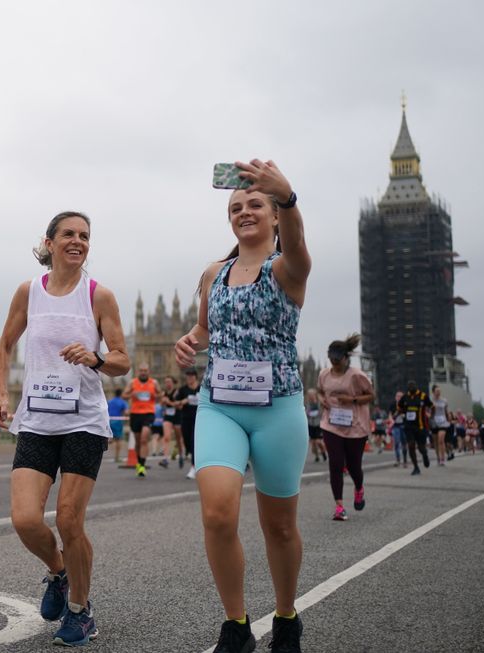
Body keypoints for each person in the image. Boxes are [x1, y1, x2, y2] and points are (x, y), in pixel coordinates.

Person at [175, 159, 309, 652]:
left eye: (256, 204)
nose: (245, 212)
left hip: (278, 408)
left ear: (274, 217)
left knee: (278, 526)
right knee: (217, 514)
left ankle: (287, 614)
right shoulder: (215, 272)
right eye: (237, 207)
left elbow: (297, 245)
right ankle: (236, 624)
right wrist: (189, 342)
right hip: (220, 405)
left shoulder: (287, 269)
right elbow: (207, 330)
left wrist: (288, 197)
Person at [0, 210, 130, 647]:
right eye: (68, 234)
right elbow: (4, 344)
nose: (77, 241)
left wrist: (96, 357)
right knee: (25, 519)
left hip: (84, 421)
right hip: (37, 420)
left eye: (85, 236)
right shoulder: (28, 292)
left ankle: (80, 610)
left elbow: (123, 359)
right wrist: (1, 394)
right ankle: (59, 570)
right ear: (48, 242)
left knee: (70, 519)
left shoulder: (98, 295)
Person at [317, 335, 375, 522]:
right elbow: (319, 391)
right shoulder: (324, 374)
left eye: (337, 360)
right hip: (331, 424)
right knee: (335, 464)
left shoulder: (357, 376)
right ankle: (339, 506)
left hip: (355, 427)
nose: (334, 364)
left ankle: (359, 488)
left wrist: (352, 400)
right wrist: (322, 400)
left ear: (345, 358)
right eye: (331, 360)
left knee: (353, 466)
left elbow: (371, 395)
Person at [122, 364, 160, 477]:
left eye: (145, 371)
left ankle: (142, 466)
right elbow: (124, 395)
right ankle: (139, 462)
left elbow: (161, 395)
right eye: (141, 370)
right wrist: (132, 394)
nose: (143, 372)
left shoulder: (154, 383)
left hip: (148, 414)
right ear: (138, 372)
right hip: (135, 414)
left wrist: (156, 395)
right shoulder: (132, 383)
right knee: (138, 442)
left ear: (149, 372)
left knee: (144, 438)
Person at [398, 381, 432, 476]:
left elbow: (431, 406)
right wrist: (399, 413)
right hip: (409, 426)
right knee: (411, 445)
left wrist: (430, 415)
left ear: (416, 387)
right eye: (409, 387)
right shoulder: (405, 397)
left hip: (421, 426)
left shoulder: (423, 396)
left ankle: (425, 455)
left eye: (413, 386)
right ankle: (416, 467)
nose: (411, 388)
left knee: (421, 448)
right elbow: (399, 407)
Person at [175, 368, 201, 479]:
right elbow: (176, 404)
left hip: (199, 419)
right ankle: (191, 456)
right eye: (188, 376)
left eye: (191, 376)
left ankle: (193, 467)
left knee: (193, 441)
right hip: (185, 418)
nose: (189, 378)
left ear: (195, 377)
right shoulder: (182, 390)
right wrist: (183, 401)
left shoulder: (202, 389)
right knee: (187, 441)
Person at [161, 375, 183, 467]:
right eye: (166, 382)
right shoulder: (164, 393)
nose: (167, 384)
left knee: (178, 438)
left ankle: (181, 454)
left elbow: (180, 406)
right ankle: (165, 459)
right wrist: (163, 402)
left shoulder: (178, 392)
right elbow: (162, 405)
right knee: (166, 437)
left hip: (177, 416)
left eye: (169, 382)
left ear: (173, 383)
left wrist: (169, 402)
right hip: (168, 417)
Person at [430, 385, 452, 465]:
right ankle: (438, 458)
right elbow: (426, 411)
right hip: (434, 422)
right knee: (436, 442)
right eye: (437, 391)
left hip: (443, 422)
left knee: (441, 440)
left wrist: (449, 417)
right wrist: (429, 416)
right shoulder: (430, 401)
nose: (438, 393)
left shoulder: (444, 401)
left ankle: (443, 458)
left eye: (439, 391)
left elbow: (446, 411)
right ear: (433, 392)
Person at [304, 389, 327, 464]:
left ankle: (323, 453)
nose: (310, 397)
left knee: (318, 441)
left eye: (312, 395)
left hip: (318, 424)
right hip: (310, 425)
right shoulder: (307, 404)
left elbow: (323, 412)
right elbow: (305, 413)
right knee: (313, 443)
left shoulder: (319, 404)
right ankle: (317, 456)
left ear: (315, 395)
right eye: (309, 395)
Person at [106, 389, 128, 463]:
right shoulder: (122, 402)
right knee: (119, 439)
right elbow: (126, 412)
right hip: (118, 421)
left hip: (109, 421)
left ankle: (110, 442)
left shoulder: (110, 401)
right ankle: (117, 457)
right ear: (121, 394)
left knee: (112, 439)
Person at [388, 391, 408, 468]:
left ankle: (405, 461)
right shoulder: (393, 404)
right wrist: (391, 420)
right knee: (396, 442)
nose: (399, 397)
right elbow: (389, 414)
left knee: (404, 443)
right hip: (395, 426)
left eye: (400, 396)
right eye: (397, 396)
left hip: (403, 426)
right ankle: (398, 460)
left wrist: (404, 415)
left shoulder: (405, 405)